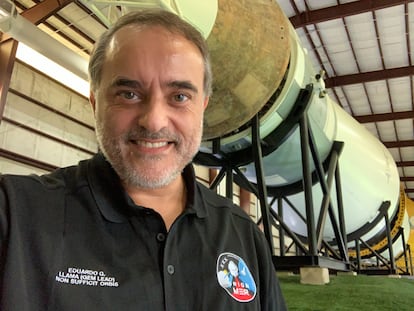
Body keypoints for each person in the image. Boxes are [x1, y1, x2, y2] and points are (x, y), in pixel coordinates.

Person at [0, 9, 287, 310]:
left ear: (202, 107)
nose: (153, 121)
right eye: (128, 94)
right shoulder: (17, 216)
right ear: (95, 101)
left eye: (179, 97)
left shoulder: (242, 235)